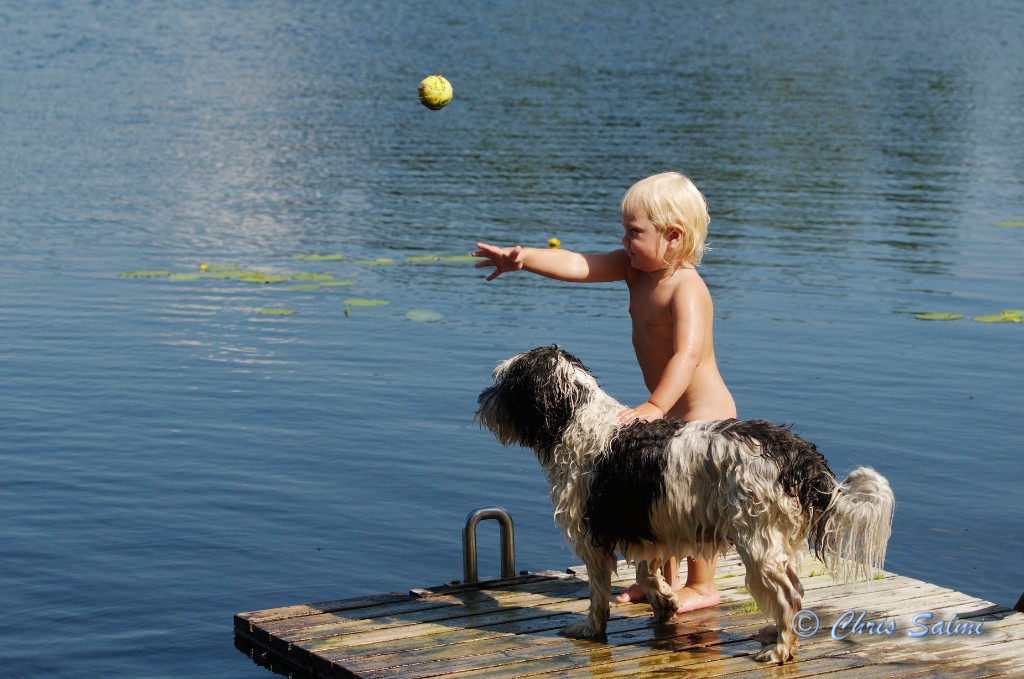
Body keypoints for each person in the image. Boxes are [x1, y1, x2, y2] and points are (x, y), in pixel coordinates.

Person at [472, 171, 736, 613]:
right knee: (663, 498)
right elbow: (579, 264)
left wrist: (654, 404)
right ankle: (658, 582)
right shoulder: (636, 270)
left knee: (695, 502)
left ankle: (703, 585)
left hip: (702, 413)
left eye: (634, 232)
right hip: (667, 411)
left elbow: (686, 357)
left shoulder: (688, 289)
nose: (625, 241)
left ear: (673, 236)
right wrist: (524, 259)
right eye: (625, 230)